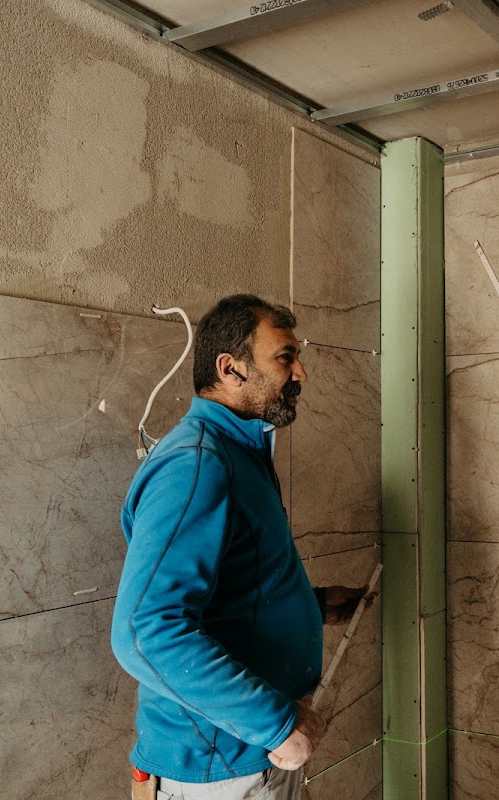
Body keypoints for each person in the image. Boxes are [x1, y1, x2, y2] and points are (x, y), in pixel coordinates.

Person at [112, 295, 371, 800]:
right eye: (285, 357)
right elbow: (144, 631)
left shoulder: (238, 452)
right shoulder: (198, 464)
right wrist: (276, 723)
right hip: (220, 766)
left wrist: (311, 605)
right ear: (230, 369)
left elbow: (229, 584)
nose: (300, 373)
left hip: (254, 752)